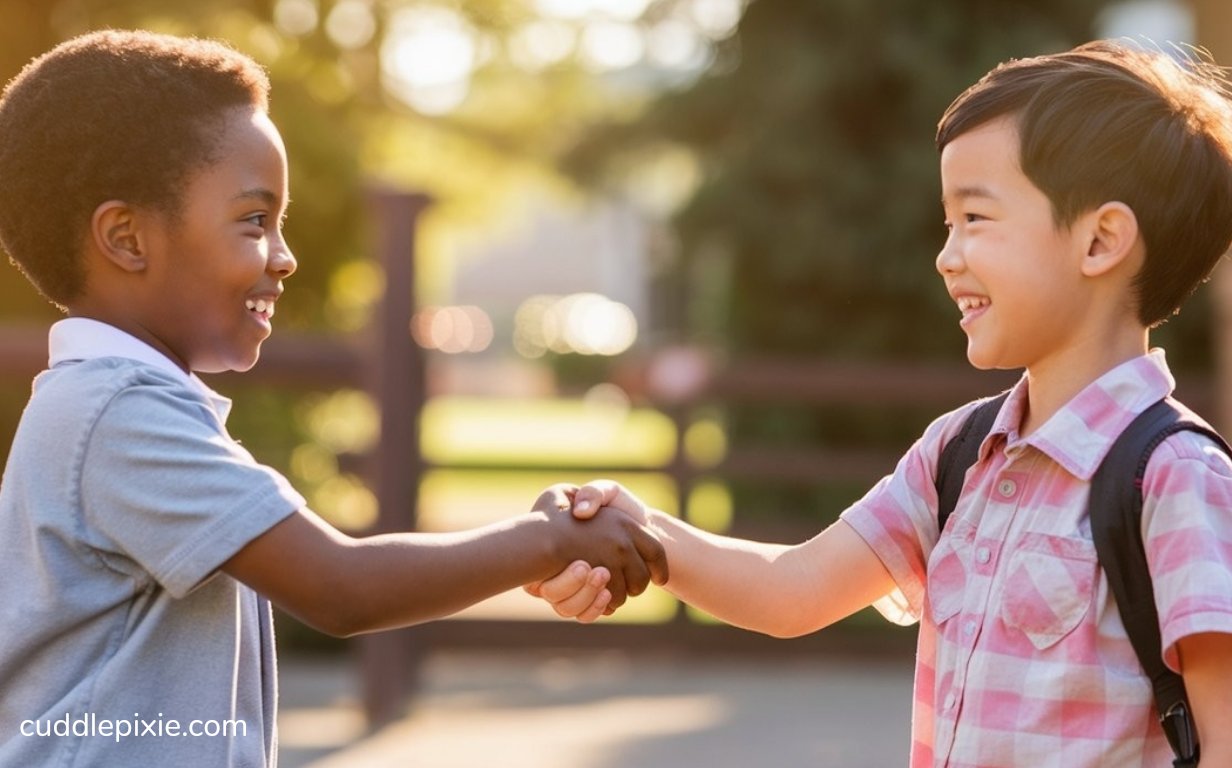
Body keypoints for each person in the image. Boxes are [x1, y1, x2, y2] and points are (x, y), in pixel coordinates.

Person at [532, 41, 1232, 765]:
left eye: (976, 218)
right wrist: (632, 528)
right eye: (946, 223)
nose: (946, 254)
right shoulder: (959, 454)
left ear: (1101, 240)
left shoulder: (1176, 478)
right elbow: (792, 590)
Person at [0, 30, 664, 767]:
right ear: (126, 238)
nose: (284, 256)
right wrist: (545, 539)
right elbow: (340, 586)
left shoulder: (119, 404)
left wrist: (536, 546)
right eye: (255, 220)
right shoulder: (115, 414)